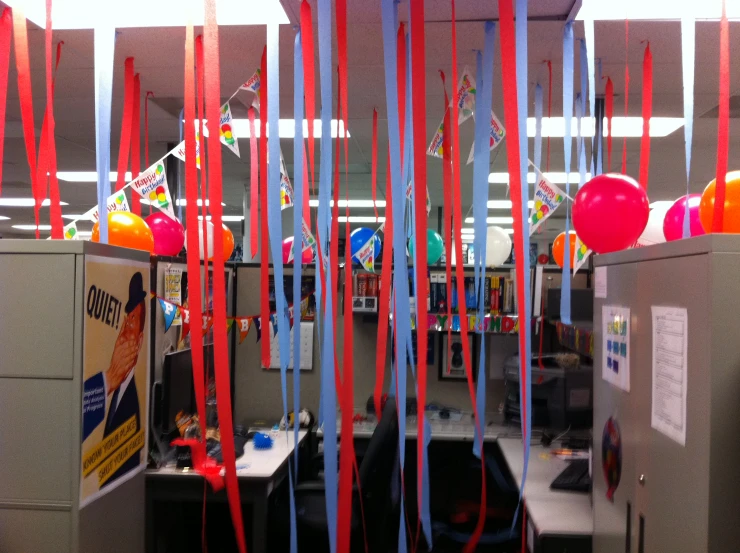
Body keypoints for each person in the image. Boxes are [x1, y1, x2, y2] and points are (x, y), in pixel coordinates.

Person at [100, 272, 147, 486]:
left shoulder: (131, 404)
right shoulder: (117, 390)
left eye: (134, 320)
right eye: (127, 319)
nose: (127, 328)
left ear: (140, 340)